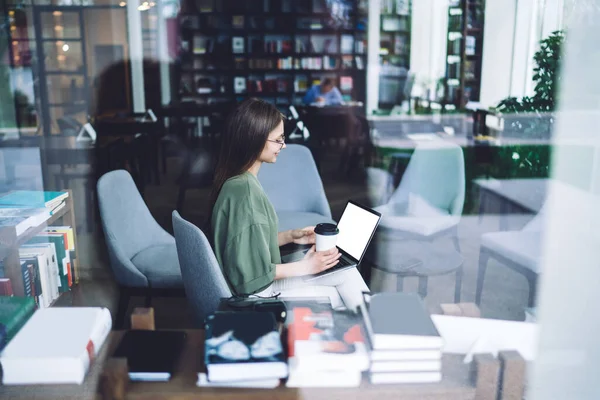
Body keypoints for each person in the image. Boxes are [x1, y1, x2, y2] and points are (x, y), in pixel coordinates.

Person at [209, 98, 368, 309]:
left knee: (344, 273)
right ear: (254, 139)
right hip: (258, 294)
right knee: (341, 290)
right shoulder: (245, 192)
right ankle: (374, 330)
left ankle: (372, 328)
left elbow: (246, 246)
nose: (283, 146)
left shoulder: (237, 182)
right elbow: (254, 274)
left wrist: (291, 236)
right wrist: (307, 266)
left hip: (256, 286)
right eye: (278, 140)